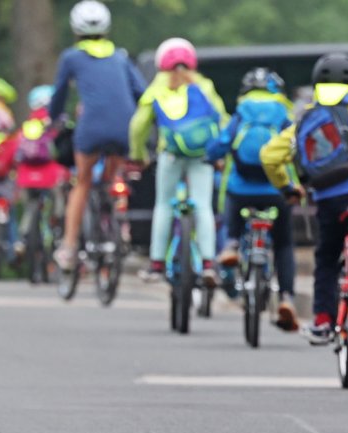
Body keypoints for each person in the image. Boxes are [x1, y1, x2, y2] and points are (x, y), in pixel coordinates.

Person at [260, 52, 348, 345]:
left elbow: (269, 155)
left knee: (326, 257)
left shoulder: (308, 118)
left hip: (329, 196)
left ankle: (323, 320)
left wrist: (287, 188)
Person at [49, 0, 146, 271]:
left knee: (82, 182)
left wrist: (53, 118)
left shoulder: (71, 57)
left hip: (91, 128)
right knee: (111, 180)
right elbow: (141, 91)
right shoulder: (120, 57)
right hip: (124, 127)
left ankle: (69, 247)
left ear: (75, 29)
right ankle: (116, 225)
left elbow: (59, 94)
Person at [129, 37, 227, 285]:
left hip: (171, 155)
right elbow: (222, 119)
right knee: (203, 205)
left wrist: (138, 155)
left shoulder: (158, 87)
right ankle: (208, 263)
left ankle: (156, 264)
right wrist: (220, 153)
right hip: (201, 155)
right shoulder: (204, 85)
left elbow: (138, 126)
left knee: (163, 205)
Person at [208, 67, 299, 332]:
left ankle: (232, 244)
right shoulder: (283, 113)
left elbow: (222, 143)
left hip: (241, 190)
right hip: (276, 189)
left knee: (232, 209)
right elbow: (296, 146)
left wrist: (209, 156)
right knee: (283, 243)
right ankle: (287, 298)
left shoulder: (241, 112)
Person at [14, 85, 71, 254]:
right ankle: (58, 229)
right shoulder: (58, 120)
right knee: (59, 201)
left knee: (30, 207)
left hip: (26, 175)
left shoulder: (29, 123)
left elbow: (18, 151)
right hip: (51, 173)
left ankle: (23, 238)